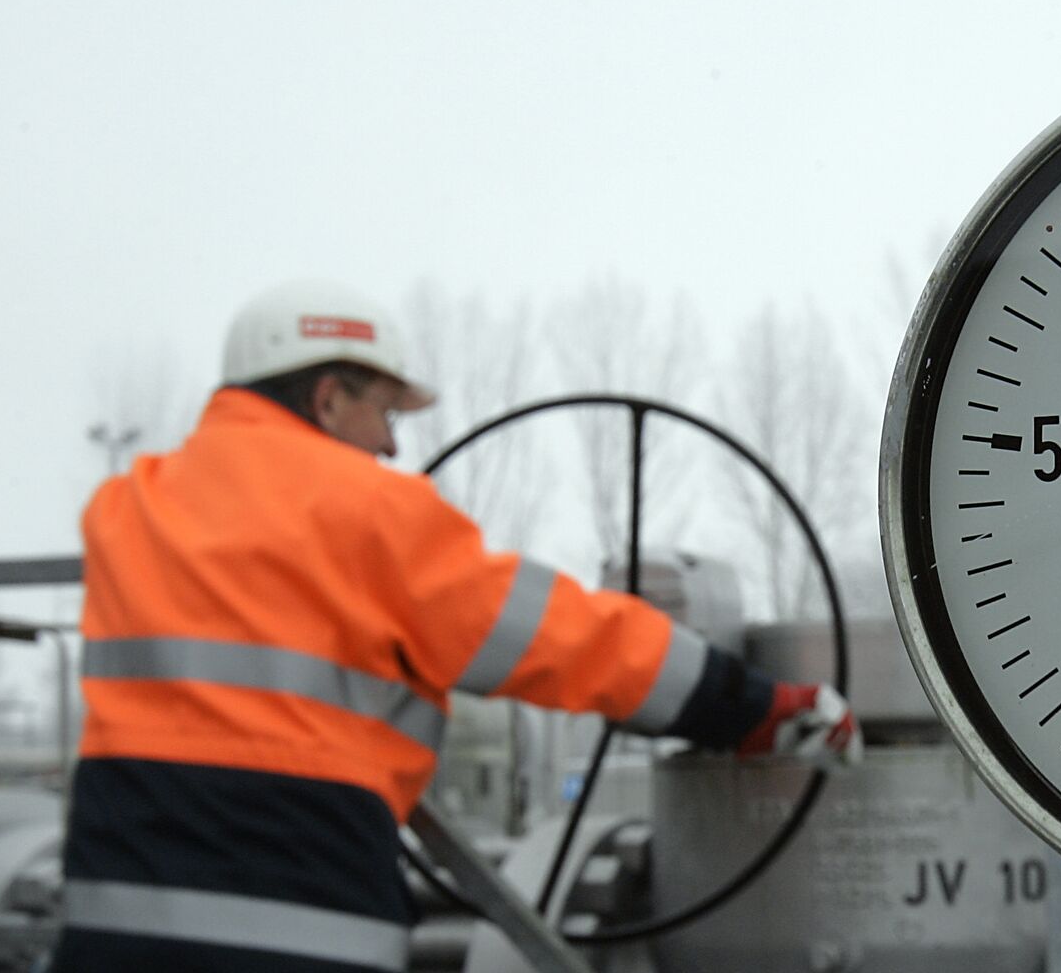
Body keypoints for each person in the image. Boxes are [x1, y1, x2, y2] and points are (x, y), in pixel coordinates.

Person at [51, 279, 859, 972]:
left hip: (113, 917)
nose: (394, 443)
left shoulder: (127, 507)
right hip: (300, 919)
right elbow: (562, 641)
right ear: (329, 398)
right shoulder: (368, 512)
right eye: (384, 411)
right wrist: (750, 706)